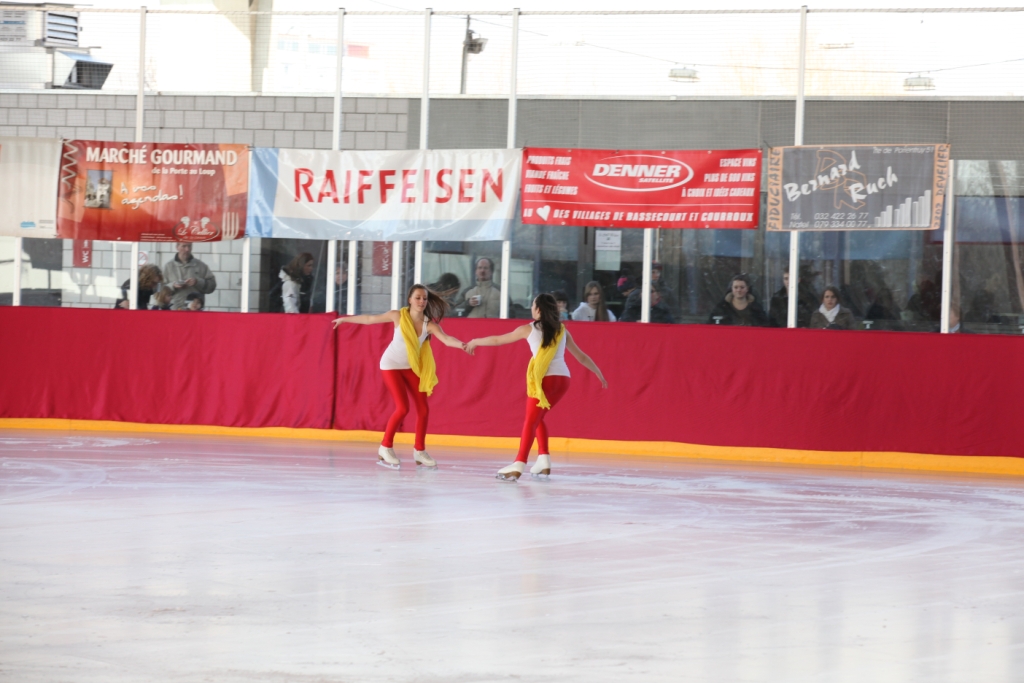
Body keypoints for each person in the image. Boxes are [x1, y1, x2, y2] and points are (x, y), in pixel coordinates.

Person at [465, 293, 608, 481]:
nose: (531, 308)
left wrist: (475, 341)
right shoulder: (562, 330)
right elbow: (580, 356)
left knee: (530, 421)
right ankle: (543, 459)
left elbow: (498, 340)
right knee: (537, 417)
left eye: (533, 305)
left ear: (538, 309)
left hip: (544, 380)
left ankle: (519, 463)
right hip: (562, 380)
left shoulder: (529, 329)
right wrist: (598, 372)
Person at [332, 284, 467, 470]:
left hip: (410, 367)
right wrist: (345, 320)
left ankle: (419, 451)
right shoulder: (398, 316)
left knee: (423, 409)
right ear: (409, 300)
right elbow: (370, 319)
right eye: (417, 298)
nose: (421, 301)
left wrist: (463, 345)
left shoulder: (429, 325)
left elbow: (446, 339)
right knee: (403, 408)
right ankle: (385, 446)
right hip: (390, 365)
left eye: (424, 298)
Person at [163, 243, 217, 310]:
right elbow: (159, 290)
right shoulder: (168, 266)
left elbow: (212, 286)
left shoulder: (201, 265)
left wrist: (198, 282)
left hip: (195, 311)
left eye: (189, 246)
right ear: (177, 247)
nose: (187, 249)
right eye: (184, 246)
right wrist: (173, 286)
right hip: (175, 310)